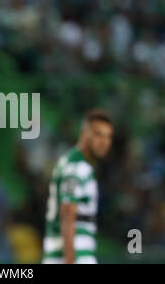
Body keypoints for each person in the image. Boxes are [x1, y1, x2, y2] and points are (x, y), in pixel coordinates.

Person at [42, 109, 114, 264]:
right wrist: (70, 259)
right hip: (74, 255)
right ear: (84, 133)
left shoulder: (74, 163)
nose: (104, 142)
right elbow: (68, 212)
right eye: (98, 134)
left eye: (108, 136)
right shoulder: (76, 167)